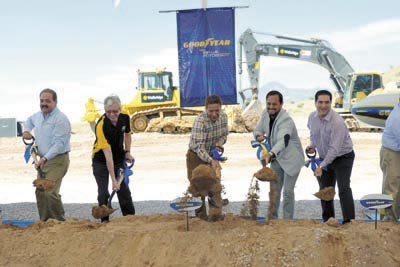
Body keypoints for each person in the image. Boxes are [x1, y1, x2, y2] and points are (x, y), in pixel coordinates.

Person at [307, 90, 355, 224]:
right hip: (325, 157)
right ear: (315, 103)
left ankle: (349, 222)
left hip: (343, 157)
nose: (323, 106)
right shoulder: (312, 117)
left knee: (343, 188)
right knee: (325, 190)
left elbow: (334, 149)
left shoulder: (337, 122)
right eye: (320, 102)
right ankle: (328, 221)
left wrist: (321, 166)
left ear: (331, 103)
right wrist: (312, 145)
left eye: (327, 102)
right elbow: (314, 134)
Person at [254, 90, 304, 219]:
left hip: (291, 159)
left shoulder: (286, 120)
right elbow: (258, 129)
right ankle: (272, 219)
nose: (271, 107)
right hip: (276, 159)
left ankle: (287, 221)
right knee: (274, 191)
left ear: (281, 104)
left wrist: (270, 153)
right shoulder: (265, 113)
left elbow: (284, 140)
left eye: (274, 104)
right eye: (268, 104)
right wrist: (259, 135)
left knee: (287, 192)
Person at [23, 88, 71, 221]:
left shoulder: (60, 119)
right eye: (42, 100)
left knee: (49, 191)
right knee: (40, 190)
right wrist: (26, 130)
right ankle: (45, 222)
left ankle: (59, 222)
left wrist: (44, 158)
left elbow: (59, 144)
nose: (44, 103)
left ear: (55, 102)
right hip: (43, 159)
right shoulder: (38, 116)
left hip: (57, 159)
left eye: (47, 101)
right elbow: (28, 121)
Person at [92, 95, 135, 223]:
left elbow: (127, 134)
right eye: (108, 111)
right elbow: (107, 155)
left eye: (115, 111)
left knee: (123, 190)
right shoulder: (101, 125)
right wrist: (113, 180)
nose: (112, 114)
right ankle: (104, 220)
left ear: (120, 109)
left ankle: (130, 219)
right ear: (104, 110)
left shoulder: (125, 118)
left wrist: (127, 152)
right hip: (100, 160)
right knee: (103, 191)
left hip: (118, 158)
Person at [186, 95, 229, 221]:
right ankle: (201, 218)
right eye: (211, 111)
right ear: (206, 109)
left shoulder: (224, 117)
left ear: (220, 109)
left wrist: (219, 144)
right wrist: (211, 160)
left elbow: (224, 135)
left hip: (212, 153)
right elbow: (199, 147)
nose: (214, 114)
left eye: (217, 111)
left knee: (214, 186)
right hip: (196, 156)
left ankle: (215, 215)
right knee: (198, 188)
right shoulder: (200, 121)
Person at [380, 98, 400, 221]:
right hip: (391, 153)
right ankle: (388, 220)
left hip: (397, 150)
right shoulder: (397, 118)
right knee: (392, 186)